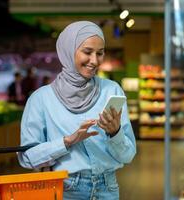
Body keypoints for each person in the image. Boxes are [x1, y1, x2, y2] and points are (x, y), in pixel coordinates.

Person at [18, 21, 136, 200]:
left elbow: (127, 156)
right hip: (65, 188)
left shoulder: (112, 90)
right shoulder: (41, 99)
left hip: (108, 188)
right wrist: (66, 142)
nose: (94, 61)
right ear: (68, 50)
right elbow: (27, 158)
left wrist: (116, 133)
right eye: (87, 52)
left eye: (100, 53)